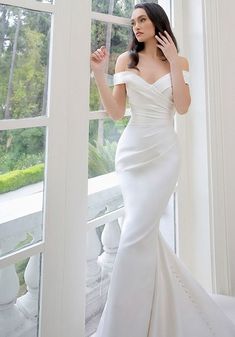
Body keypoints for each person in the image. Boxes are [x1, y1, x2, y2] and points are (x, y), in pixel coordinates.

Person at [90, 3, 235, 337]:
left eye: (142, 20)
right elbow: (115, 112)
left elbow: (182, 108)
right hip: (132, 156)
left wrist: (172, 63)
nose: (136, 26)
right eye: (133, 22)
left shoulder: (179, 63)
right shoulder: (127, 61)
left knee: (135, 237)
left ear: (157, 22)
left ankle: (126, 326)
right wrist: (99, 73)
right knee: (137, 237)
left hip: (164, 156)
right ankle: (140, 320)